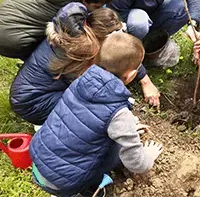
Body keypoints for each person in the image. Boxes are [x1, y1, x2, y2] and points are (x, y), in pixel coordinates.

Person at [30, 32, 163, 196]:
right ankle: (88, 191)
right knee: (117, 148)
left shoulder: (81, 81)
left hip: (38, 161)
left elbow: (88, 120)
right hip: (64, 182)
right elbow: (137, 164)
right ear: (131, 76)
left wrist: (128, 128)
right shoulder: (118, 113)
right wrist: (147, 157)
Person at [10, 3, 158, 126]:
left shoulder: (80, 34)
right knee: (96, 116)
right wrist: (121, 113)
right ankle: (49, 124)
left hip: (35, 92)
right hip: (34, 103)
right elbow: (93, 91)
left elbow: (123, 55)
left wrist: (145, 80)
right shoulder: (79, 53)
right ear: (100, 39)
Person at [0, 0, 113, 60]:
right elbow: (78, 40)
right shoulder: (69, 9)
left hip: (1, 21)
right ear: (82, 0)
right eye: (96, 7)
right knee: (60, 45)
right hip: (9, 40)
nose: (99, 9)